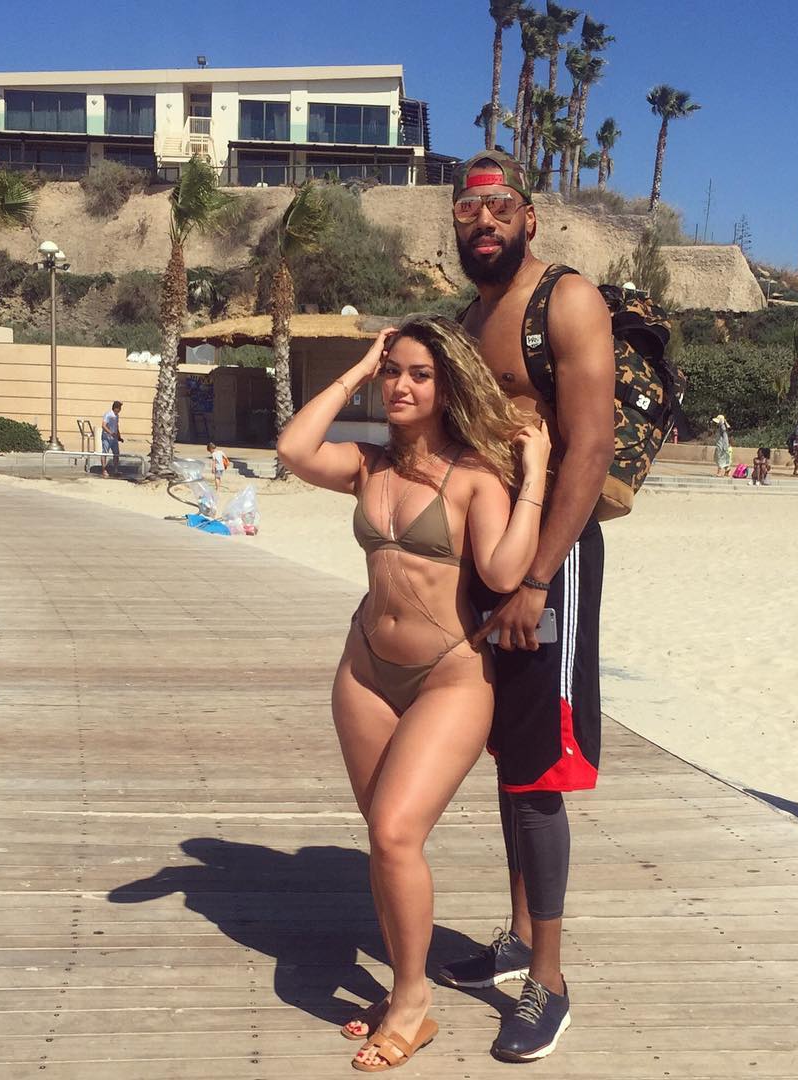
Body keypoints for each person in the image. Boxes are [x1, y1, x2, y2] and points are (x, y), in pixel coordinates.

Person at [277, 316, 551, 1072]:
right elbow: (293, 448)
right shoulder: (367, 465)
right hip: (364, 671)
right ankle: (404, 987)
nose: (401, 385)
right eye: (393, 371)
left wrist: (533, 473)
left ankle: (411, 1001)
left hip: (449, 677)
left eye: (419, 374)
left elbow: (503, 572)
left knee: (396, 833)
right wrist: (358, 366)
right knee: (384, 837)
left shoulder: (474, 475)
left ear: (447, 386)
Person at [441, 149, 615, 1063]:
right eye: (470, 212)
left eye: (501, 208)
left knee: (540, 769)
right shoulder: (467, 320)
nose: (485, 224)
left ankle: (550, 980)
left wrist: (538, 579)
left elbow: (590, 447)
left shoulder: (567, 302)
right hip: (488, 558)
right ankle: (515, 940)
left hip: (553, 561)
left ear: (529, 217)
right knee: (509, 756)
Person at [101, 401, 123, 477]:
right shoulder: (108, 415)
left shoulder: (117, 416)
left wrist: (119, 436)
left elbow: (116, 426)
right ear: (115, 408)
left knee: (116, 453)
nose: (120, 409)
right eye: (119, 408)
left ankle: (116, 470)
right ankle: (104, 470)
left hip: (114, 438)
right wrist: (110, 433)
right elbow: (103, 425)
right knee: (104, 453)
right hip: (107, 437)